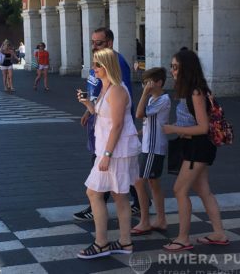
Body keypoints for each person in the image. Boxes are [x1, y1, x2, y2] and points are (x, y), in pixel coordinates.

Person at [73, 27, 143, 222]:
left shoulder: (116, 63)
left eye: (99, 43)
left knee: (113, 174)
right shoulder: (99, 61)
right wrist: (89, 108)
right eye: (93, 42)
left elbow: (120, 100)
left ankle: (101, 210)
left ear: (110, 43)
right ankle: (137, 205)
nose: (94, 46)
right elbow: (101, 93)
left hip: (112, 129)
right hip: (101, 119)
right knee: (121, 175)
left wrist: (117, 134)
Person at [162, 49, 229, 251]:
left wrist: (174, 129)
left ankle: (183, 238)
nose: (172, 71)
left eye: (175, 67)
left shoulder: (195, 92)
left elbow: (202, 127)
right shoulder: (191, 90)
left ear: (186, 69)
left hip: (197, 148)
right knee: (203, 190)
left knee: (179, 190)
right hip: (196, 146)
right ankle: (219, 233)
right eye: (171, 67)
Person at [77, 48, 140, 259]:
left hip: (116, 151)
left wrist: (106, 155)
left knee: (95, 193)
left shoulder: (117, 91)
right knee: (118, 196)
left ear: (106, 67)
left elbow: (118, 125)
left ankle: (102, 242)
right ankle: (124, 241)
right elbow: (104, 116)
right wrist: (88, 105)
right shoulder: (107, 88)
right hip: (111, 149)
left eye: (96, 65)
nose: (93, 69)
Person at [131, 67, 170, 236]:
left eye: (148, 82)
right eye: (144, 82)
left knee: (140, 182)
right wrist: (140, 132)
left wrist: (144, 94)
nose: (145, 85)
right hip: (150, 146)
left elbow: (139, 114)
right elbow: (149, 122)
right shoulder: (154, 99)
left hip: (153, 148)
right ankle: (161, 219)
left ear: (159, 83)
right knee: (153, 183)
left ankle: (145, 221)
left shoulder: (162, 99)